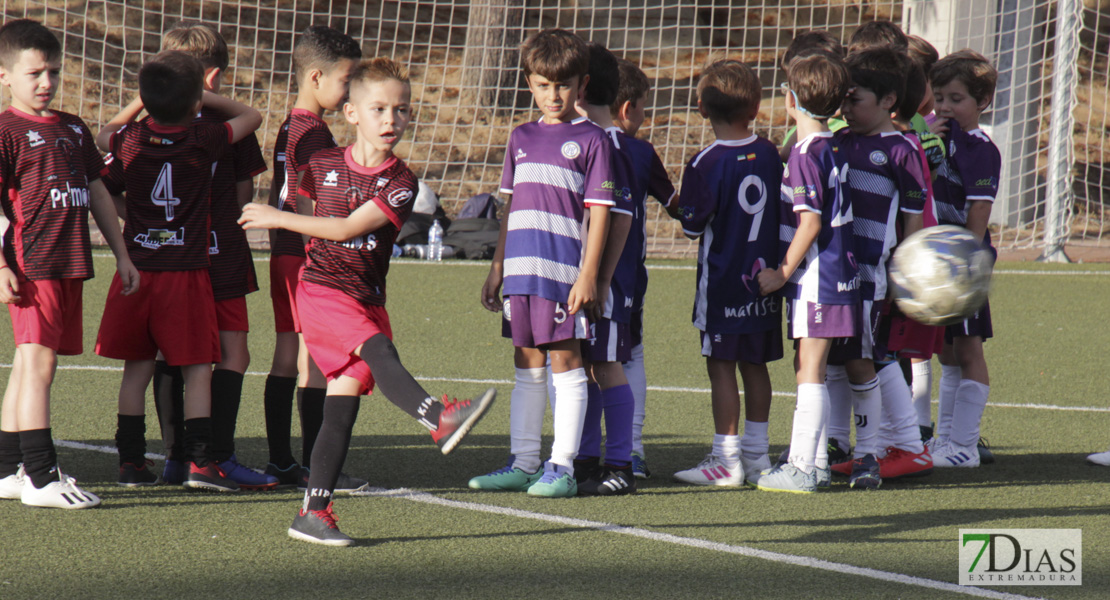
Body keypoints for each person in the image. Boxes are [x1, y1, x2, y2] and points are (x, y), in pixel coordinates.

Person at [240, 58, 495, 545]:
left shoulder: (402, 182)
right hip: (320, 291)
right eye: (378, 108)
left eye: (401, 110)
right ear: (352, 113)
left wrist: (279, 218)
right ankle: (437, 417)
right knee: (379, 352)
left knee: (342, 408)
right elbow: (312, 216)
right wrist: (286, 220)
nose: (390, 120)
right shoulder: (322, 164)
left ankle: (312, 513)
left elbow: (342, 228)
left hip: (367, 296)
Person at [94, 50, 263, 492]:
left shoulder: (128, 141)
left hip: (138, 269)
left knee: (136, 371)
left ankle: (131, 464)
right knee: (198, 369)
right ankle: (202, 463)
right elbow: (252, 114)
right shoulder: (204, 136)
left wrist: (140, 104)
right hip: (185, 271)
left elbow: (102, 134)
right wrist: (203, 97)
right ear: (195, 103)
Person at [468, 28, 615, 498]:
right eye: (544, 84)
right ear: (529, 84)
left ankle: (563, 467)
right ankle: (525, 461)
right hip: (521, 273)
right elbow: (510, 208)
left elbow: (600, 213)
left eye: (564, 84)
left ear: (582, 84)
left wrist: (589, 275)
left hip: (563, 273)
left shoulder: (593, 140)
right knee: (526, 362)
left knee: (566, 361)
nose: (554, 94)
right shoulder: (521, 137)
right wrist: (497, 268)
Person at [0, 19, 137, 509]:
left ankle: (7, 469)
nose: (46, 82)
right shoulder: (5, 130)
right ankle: (40, 476)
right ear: (5, 76)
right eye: (35, 72)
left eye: (53, 72)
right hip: (32, 263)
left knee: (28, 364)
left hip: (71, 261)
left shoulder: (73, 126)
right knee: (39, 361)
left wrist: (122, 252)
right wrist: (0, 267)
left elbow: (97, 189)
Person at [150, 20, 276, 490]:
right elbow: (243, 197)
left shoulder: (149, 125)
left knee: (172, 351)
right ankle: (217, 458)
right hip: (221, 255)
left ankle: (176, 460)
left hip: (168, 256)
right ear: (214, 78)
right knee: (234, 353)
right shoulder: (230, 126)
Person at [261, 26, 367, 492]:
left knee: (290, 352)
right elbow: (312, 198)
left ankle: (284, 462)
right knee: (314, 359)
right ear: (317, 77)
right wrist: (323, 250)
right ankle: (312, 465)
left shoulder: (292, 122)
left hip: (283, 248)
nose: (350, 91)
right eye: (347, 81)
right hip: (303, 253)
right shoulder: (316, 134)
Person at [670, 58, 783, 488]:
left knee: (721, 365)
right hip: (764, 282)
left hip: (722, 285)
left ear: (701, 107)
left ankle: (726, 458)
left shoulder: (705, 162)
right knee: (756, 366)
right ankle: (756, 457)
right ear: (755, 107)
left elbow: (691, 226)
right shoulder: (772, 153)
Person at [826, 46, 931, 489]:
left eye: (856, 99)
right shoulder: (840, 142)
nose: (847, 109)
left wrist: (902, 274)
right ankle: (840, 443)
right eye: (844, 100)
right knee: (841, 356)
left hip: (873, 274)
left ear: (888, 100)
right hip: (837, 272)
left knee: (868, 356)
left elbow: (913, 215)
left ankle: (899, 445)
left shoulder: (901, 150)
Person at [756, 51, 856, 493]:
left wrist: (781, 271)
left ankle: (801, 467)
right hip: (838, 273)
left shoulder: (804, 155)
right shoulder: (829, 143)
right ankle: (813, 462)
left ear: (790, 99)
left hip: (818, 276)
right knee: (808, 364)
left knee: (809, 368)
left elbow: (811, 222)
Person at [928, 49, 1000, 468]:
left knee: (969, 349)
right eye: (939, 96)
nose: (945, 106)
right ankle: (946, 438)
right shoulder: (937, 138)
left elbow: (979, 209)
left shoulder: (978, 148)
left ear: (981, 102)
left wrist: (966, 260)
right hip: (939, 261)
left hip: (963, 263)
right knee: (947, 351)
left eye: (956, 98)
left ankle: (965, 445)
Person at [571, 42, 637, 496]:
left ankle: (621, 466)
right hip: (585, 278)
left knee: (609, 365)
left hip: (606, 281)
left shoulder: (609, 143)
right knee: (591, 364)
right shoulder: (583, 139)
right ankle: (586, 459)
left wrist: (601, 278)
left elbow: (622, 215)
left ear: (581, 86)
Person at [611, 58, 676, 480]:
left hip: (573, 274)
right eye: (644, 108)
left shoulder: (579, 144)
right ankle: (632, 450)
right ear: (627, 108)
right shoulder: (639, 150)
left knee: (573, 361)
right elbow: (679, 207)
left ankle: (567, 454)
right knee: (630, 354)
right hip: (627, 275)